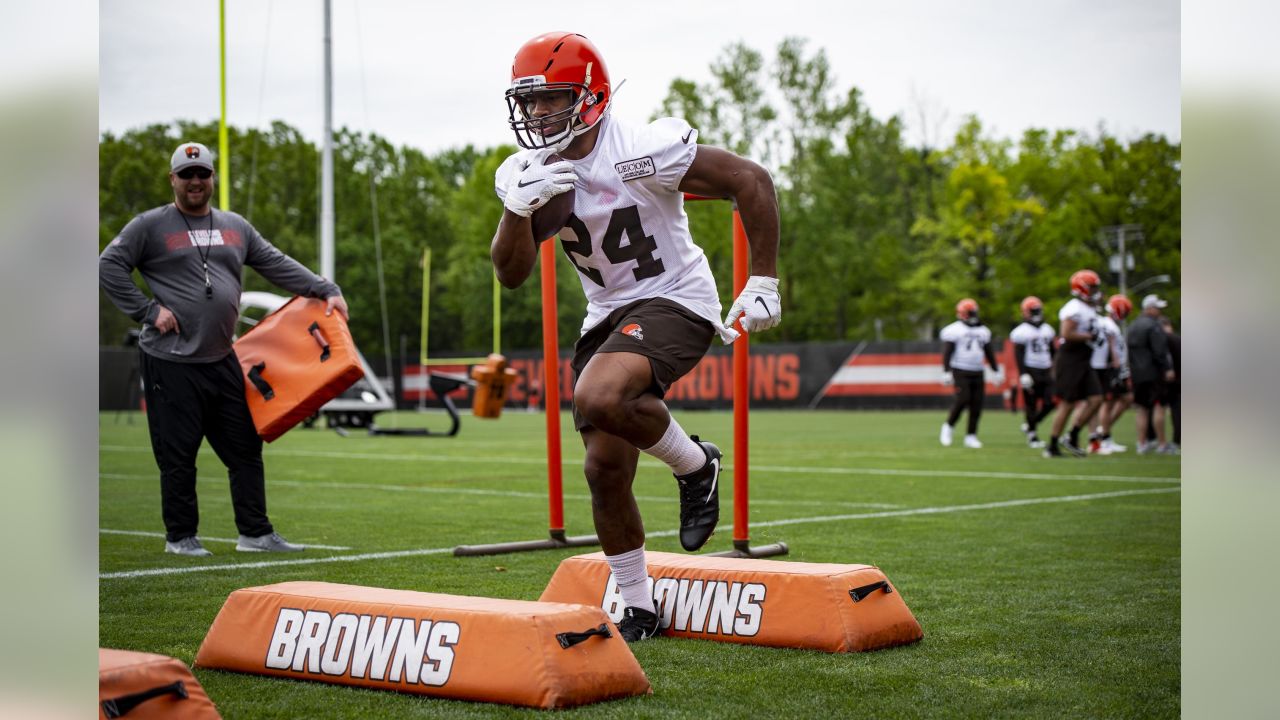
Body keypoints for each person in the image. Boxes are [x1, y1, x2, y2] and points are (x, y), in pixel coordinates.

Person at [489, 33, 780, 642]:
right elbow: (511, 273)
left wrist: (764, 279)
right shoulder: (536, 172)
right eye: (530, 101)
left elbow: (749, 179)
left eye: (551, 99)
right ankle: (640, 605)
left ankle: (696, 465)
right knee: (603, 469)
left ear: (592, 97)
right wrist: (515, 210)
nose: (538, 114)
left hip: (676, 297)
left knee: (598, 398)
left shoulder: (642, 148)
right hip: (606, 314)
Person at [99, 141, 349, 557]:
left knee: (245, 446)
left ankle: (255, 533)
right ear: (173, 179)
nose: (195, 181)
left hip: (221, 358)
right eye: (187, 174)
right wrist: (147, 310)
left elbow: (276, 262)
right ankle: (181, 538)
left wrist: (325, 288)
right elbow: (108, 265)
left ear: (213, 177)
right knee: (178, 454)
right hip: (170, 361)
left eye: (203, 174)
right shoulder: (150, 225)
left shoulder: (235, 226)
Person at [1044, 270, 1105, 457]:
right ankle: (1052, 444)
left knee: (1096, 399)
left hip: (1084, 359)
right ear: (1082, 288)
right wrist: (1089, 336)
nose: (1096, 291)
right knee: (1068, 403)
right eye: (1092, 287)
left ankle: (1072, 435)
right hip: (1070, 358)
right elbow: (1066, 333)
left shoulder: (1089, 307)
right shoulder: (1073, 308)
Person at [938, 299, 1000, 449]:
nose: (973, 316)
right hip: (960, 369)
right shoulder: (954, 330)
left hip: (978, 370)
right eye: (970, 313)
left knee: (977, 404)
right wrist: (946, 371)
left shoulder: (983, 331)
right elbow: (948, 352)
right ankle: (948, 426)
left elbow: (989, 352)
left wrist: (995, 370)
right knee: (963, 399)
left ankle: (971, 435)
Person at [1126, 294, 1175, 454]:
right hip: (1154, 373)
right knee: (1159, 406)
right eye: (1157, 308)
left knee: (1142, 409)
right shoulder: (1154, 326)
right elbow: (1159, 351)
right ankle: (1162, 444)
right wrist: (1167, 368)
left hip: (1137, 373)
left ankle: (1142, 443)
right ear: (1150, 308)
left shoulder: (1133, 325)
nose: (1159, 311)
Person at [1089, 295, 1134, 454]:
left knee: (1126, 399)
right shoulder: (1106, 324)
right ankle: (1103, 437)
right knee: (1106, 403)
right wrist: (1114, 365)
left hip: (1114, 368)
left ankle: (1103, 433)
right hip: (1107, 368)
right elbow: (1108, 348)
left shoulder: (1110, 324)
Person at [1010, 295, 1056, 448]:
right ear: (1025, 312)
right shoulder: (1021, 331)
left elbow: (1053, 351)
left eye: (1037, 310)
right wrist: (1023, 373)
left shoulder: (1047, 329)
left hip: (1046, 369)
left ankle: (1031, 425)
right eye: (1033, 310)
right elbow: (1019, 353)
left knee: (1051, 402)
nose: (1036, 313)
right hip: (1031, 369)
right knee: (1031, 403)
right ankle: (1032, 436)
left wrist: (1055, 368)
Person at [1158, 316, 1181, 453]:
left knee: (1161, 409)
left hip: (1168, 380)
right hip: (1179, 379)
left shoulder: (1164, 339)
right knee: (1177, 410)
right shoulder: (1177, 338)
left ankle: (1164, 442)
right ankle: (1176, 440)